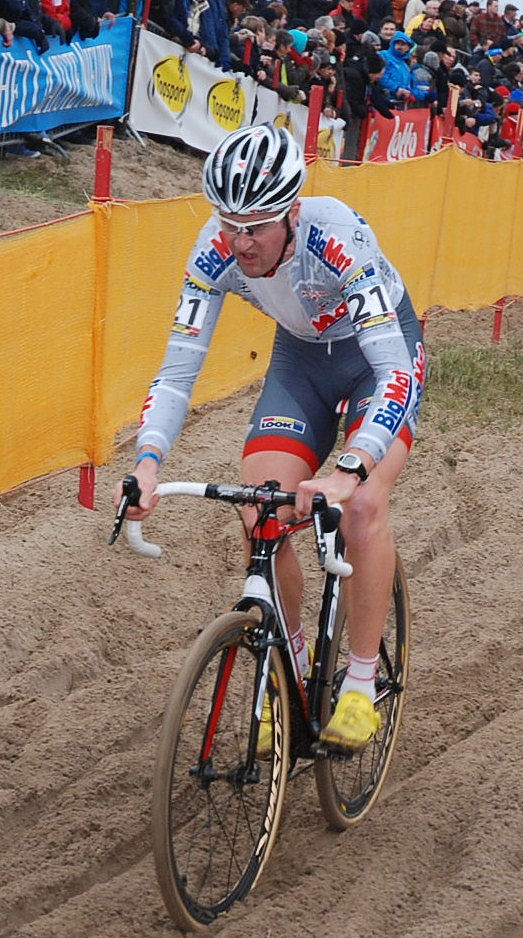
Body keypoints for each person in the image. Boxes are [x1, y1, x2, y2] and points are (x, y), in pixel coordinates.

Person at [118, 124, 427, 752]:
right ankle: (286, 669)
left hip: (378, 357)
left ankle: (360, 683)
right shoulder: (214, 250)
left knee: (362, 507)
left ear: (291, 213)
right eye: (229, 224)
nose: (240, 242)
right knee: (261, 508)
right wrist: (148, 462)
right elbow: (177, 370)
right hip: (300, 361)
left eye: (256, 227)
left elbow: (395, 370)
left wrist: (350, 468)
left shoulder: (336, 237)